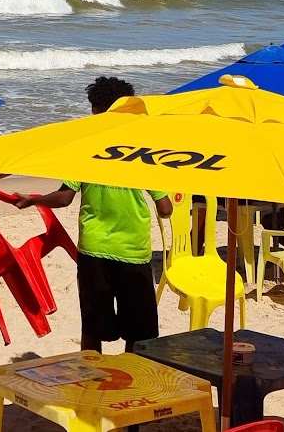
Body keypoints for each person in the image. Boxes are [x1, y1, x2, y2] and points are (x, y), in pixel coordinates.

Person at [11, 76, 172, 353]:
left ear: (97, 110)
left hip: (94, 250)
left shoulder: (87, 147)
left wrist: (34, 201)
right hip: (134, 251)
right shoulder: (143, 151)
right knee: (139, 329)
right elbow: (166, 208)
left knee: (93, 327)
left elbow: (64, 198)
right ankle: (131, 381)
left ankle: (91, 382)